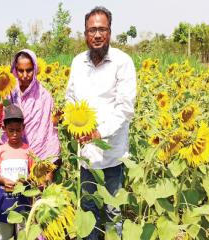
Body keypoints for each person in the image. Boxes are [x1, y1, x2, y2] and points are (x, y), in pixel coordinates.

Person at [65, 6, 136, 239]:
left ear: (110, 32)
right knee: (88, 215)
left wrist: (99, 132)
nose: (97, 35)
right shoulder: (77, 63)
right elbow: (70, 99)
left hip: (112, 156)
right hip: (86, 157)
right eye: (92, 30)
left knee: (113, 215)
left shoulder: (122, 62)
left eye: (101, 29)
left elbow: (125, 108)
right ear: (85, 33)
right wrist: (72, 124)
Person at [7, 49, 60, 164]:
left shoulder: (44, 96)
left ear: (35, 69)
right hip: (14, 156)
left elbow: (49, 131)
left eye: (29, 70)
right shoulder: (10, 93)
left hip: (41, 154)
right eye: (20, 71)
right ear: (15, 71)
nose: (25, 75)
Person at [0, 104, 33, 240]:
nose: (15, 134)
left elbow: (33, 174)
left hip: (23, 198)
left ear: (23, 128)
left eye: (18, 130)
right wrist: (3, 180)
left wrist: (25, 180)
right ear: (4, 129)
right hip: (5, 198)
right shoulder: (1, 150)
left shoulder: (27, 150)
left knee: (23, 232)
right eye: (11, 131)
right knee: (4, 234)